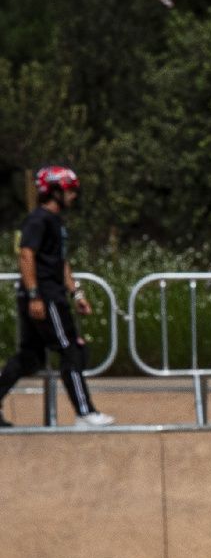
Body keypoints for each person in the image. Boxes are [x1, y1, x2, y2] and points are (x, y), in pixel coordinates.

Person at [0, 166, 113, 427]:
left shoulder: (55, 222)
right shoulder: (38, 220)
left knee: (30, 358)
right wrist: (34, 295)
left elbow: (59, 262)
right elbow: (26, 255)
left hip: (51, 293)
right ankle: (85, 413)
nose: (74, 195)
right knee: (71, 350)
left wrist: (77, 292)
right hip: (45, 296)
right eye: (69, 190)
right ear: (53, 191)